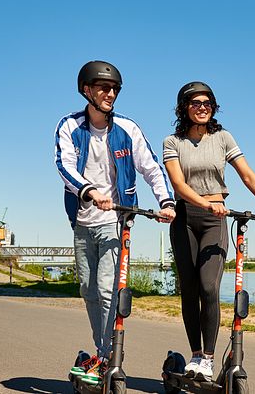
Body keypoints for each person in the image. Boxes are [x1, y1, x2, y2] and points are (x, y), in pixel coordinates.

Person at [55, 60, 176, 376]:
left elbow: (151, 167)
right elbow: (65, 166)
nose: (110, 93)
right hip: (83, 220)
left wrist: (166, 202)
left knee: (108, 289)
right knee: (88, 289)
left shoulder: (128, 129)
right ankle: (101, 352)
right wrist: (90, 191)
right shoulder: (69, 126)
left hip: (116, 221)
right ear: (87, 91)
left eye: (114, 89)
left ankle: (109, 357)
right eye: (104, 88)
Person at [162, 81, 255, 380]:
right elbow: (178, 185)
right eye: (195, 103)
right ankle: (193, 357)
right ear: (184, 107)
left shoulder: (223, 137)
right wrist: (203, 202)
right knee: (189, 290)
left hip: (215, 219)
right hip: (184, 219)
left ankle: (208, 358)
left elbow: (247, 174)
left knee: (209, 287)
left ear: (213, 107)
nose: (202, 107)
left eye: (207, 102)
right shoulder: (172, 142)